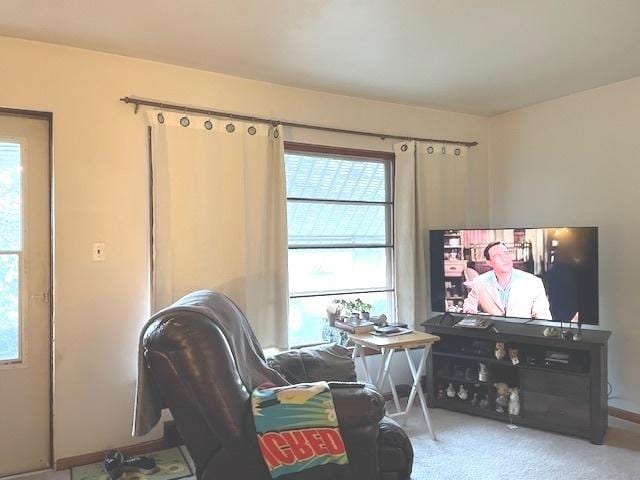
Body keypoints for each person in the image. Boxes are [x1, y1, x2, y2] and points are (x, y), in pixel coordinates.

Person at [463, 241, 552, 319]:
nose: (504, 258)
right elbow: (470, 304)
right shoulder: (480, 282)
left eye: (506, 253)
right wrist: (470, 310)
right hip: (492, 335)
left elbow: (543, 318)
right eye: (498, 256)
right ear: (489, 262)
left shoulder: (533, 283)